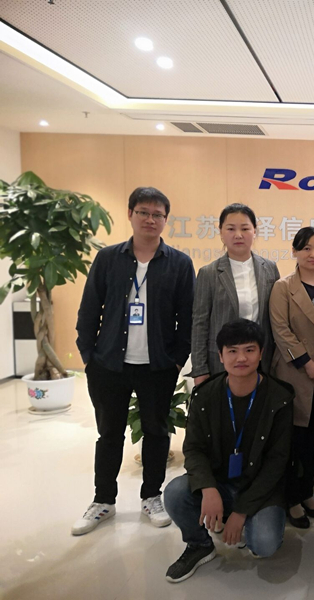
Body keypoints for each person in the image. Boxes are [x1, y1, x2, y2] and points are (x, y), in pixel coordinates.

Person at [73, 187, 195, 535]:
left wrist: (176, 361)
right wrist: (89, 357)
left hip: (157, 367)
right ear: (130, 214)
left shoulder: (179, 263)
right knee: (109, 434)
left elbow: (187, 318)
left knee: (156, 433)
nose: (150, 220)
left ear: (165, 220)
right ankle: (103, 501)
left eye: (157, 215)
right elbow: (89, 310)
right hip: (109, 364)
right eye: (143, 212)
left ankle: (151, 496)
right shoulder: (108, 258)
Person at [162, 319, 293, 582]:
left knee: (264, 544)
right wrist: (208, 488)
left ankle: (245, 523)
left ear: (261, 353)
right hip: (220, 482)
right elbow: (194, 449)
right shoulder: (205, 396)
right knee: (175, 492)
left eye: (249, 350)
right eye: (232, 351)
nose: (241, 358)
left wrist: (241, 511)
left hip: (261, 489)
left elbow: (277, 463)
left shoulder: (279, 398)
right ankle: (200, 545)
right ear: (221, 356)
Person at [269, 227, 314, 528]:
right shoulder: (283, 287)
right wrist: (306, 362)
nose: (313, 254)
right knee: (292, 442)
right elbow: (280, 329)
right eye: (307, 248)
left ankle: (307, 493)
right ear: (295, 252)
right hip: (294, 374)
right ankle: (291, 499)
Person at [189, 203, 280, 385]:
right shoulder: (209, 273)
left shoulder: (269, 268)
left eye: (245, 228)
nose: (238, 235)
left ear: (254, 231)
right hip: (221, 362)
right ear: (221, 232)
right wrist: (200, 369)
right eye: (231, 229)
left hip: (262, 360)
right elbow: (200, 324)